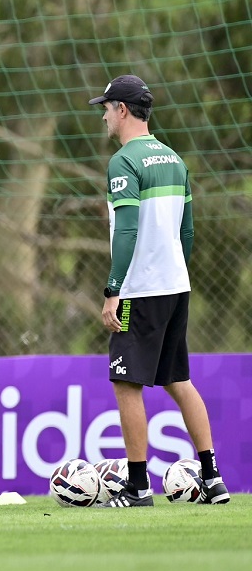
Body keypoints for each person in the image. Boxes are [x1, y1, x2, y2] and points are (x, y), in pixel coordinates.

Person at [89, 75, 229, 507]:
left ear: (124, 111)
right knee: (178, 380)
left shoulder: (124, 161)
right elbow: (187, 233)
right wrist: (173, 272)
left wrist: (113, 289)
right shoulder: (174, 159)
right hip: (174, 285)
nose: (105, 115)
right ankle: (213, 479)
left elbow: (127, 230)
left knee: (125, 384)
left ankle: (138, 487)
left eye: (108, 107)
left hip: (140, 289)